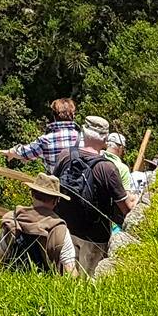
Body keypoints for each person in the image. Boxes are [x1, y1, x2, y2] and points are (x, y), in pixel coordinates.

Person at [50, 115, 138, 275]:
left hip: (62, 229)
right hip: (93, 238)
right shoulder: (107, 168)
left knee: (58, 277)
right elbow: (125, 209)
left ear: (82, 132)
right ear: (105, 140)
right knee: (85, 285)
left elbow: (52, 189)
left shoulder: (65, 155)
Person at [0, 173, 75, 275]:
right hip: (44, 287)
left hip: (8, 280)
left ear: (32, 194)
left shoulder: (12, 219)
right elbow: (70, 270)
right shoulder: (60, 229)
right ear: (56, 200)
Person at [0, 97, 81, 175]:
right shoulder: (83, 138)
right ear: (73, 115)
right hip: (80, 187)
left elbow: (25, 152)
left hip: (55, 186)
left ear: (54, 116)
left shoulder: (46, 140)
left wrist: (11, 152)